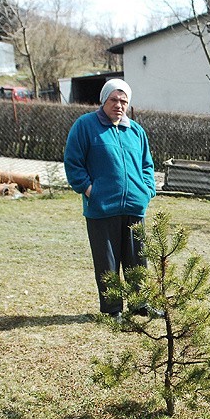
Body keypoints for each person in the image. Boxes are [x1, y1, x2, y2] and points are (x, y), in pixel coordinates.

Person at [64, 79, 157, 319]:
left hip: (135, 206)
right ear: (104, 100)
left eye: (124, 101)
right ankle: (112, 309)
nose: (119, 105)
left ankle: (140, 304)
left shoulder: (136, 131)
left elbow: (147, 165)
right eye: (114, 99)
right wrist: (88, 189)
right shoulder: (85, 126)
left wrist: (147, 190)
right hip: (101, 207)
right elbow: (73, 163)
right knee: (107, 262)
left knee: (138, 260)